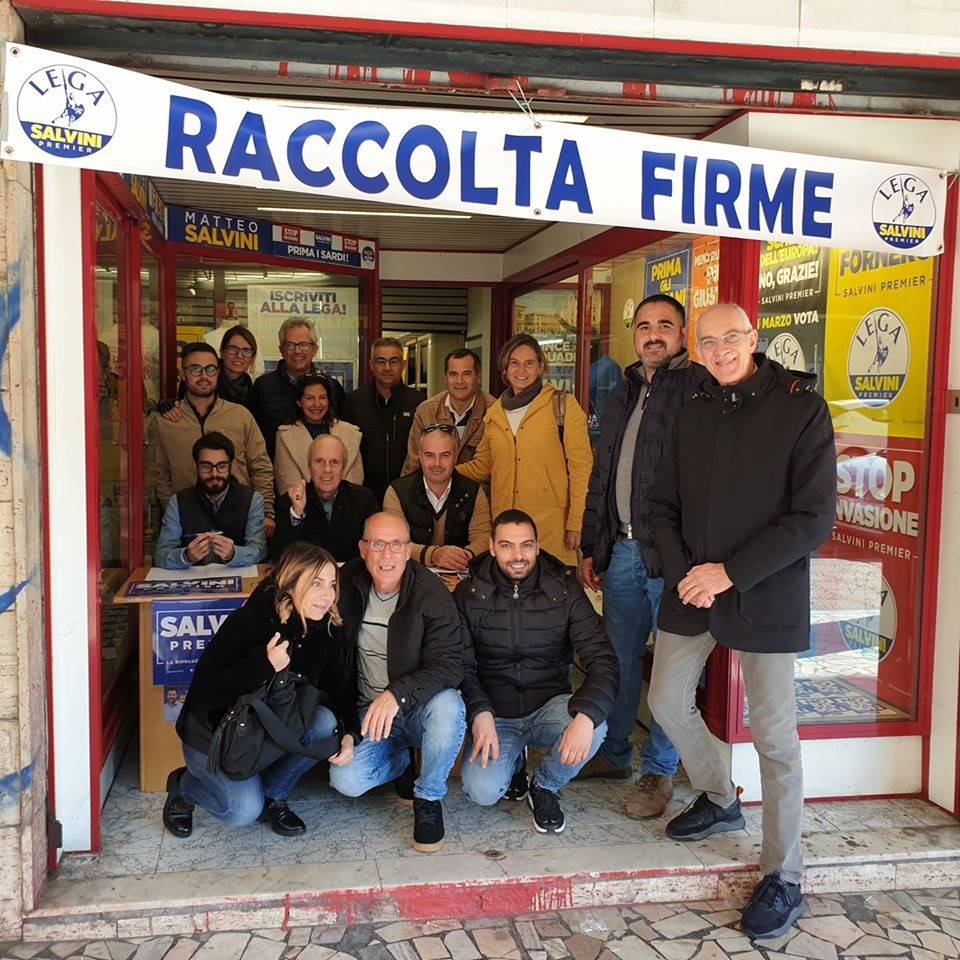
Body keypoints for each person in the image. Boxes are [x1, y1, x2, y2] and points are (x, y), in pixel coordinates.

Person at [648, 303, 836, 940]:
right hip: (692, 586)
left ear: (753, 338)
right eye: (709, 341)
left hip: (765, 588)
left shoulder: (801, 408)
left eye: (732, 337)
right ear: (696, 349)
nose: (721, 349)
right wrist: (687, 574)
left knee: (775, 738)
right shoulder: (693, 409)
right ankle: (721, 797)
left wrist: (728, 573)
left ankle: (784, 876)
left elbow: (812, 519)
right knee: (665, 701)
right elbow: (662, 505)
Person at [577, 294, 705, 820]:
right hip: (623, 550)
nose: (653, 335)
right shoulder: (624, 390)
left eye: (665, 326)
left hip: (672, 559)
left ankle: (659, 769)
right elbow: (602, 475)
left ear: (682, 334)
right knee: (618, 660)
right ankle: (613, 754)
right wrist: (593, 544)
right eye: (644, 326)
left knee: (673, 674)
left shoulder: (699, 389)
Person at [162, 542, 359, 839]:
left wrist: (351, 733)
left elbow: (341, 686)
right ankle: (184, 787)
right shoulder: (251, 621)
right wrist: (263, 665)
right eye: (316, 583)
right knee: (241, 810)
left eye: (332, 585)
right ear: (290, 584)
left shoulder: (328, 628)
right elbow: (204, 694)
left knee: (325, 724)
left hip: (269, 728)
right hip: (217, 735)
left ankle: (273, 795)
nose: (327, 595)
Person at [456, 510, 618, 835]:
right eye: (507, 546)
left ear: (537, 546)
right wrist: (479, 711)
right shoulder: (468, 594)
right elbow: (460, 663)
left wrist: (586, 716)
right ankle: (515, 761)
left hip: (549, 705)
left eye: (526, 545)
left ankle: (544, 785)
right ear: (492, 547)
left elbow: (603, 659)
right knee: (481, 791)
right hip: (496, 713)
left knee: (595, 725)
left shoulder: (565, 590)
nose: (518, 556)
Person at [329, 512, 466, 853]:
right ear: (363, 549)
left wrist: (398, 694)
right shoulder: (345, 582)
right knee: (346, 780)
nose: (387, 554)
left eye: (396, 544)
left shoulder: (431, 594)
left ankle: (428, 797)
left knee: (450, 705)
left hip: (418, 709)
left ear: (408, 550)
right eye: (378, 544)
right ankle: (402, 761)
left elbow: (449, 665)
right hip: (369, 713)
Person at [457, 333, 592, 566]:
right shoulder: (495, 414)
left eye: (529, 363)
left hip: (551, 530)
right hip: (506, 529)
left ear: (540, 367)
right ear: (505, 368)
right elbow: (483, 466)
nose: (521, 370)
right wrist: (442, 471)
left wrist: (576, 522)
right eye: (514, 363)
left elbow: (582, 469)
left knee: (550, 586)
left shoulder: (563, 406)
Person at [151, 343, 276, 536]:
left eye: (210, 369)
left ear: (218, 372)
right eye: (195, 369)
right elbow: (160, 473)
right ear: (183, 374)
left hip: (239, 517)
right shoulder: (166, 421)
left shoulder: (240, 416)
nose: (204, 376)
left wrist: (266, 510)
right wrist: (173, 512)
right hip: (187, 521)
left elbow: (261, 466)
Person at [384, 424, 491, 570]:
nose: (437, 463)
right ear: (420, 456)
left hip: (460, 574)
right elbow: (392, 541)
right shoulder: (397, 492)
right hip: (410, 573)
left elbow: (483, 538)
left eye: (445, 455)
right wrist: (433, 554)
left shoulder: (474, 491)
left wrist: (462, 557)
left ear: (456, 456)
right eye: (429, 455)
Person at [154, 432, 267, 569]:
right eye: (206, 466)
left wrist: (234, 554)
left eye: (222, 466)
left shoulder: (252, 499)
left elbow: (259, 550)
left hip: (239, 576)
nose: (214, 474)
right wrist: (186, 556)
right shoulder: (178, 502)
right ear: (196, 466)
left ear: (230, 466)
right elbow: (161, 555)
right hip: (191, 578)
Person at [270, 434, 379, 562]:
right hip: (307, 573)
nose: (327, 469)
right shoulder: (290, 501)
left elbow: (376, 550)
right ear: (309, 466)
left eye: (334, 462)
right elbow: (278, 557)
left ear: (343, 468)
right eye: (319, 461)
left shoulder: (365, 500)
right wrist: (297, 514)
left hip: (351, 573)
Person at [341, 338, 425, 502]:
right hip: (363, 496)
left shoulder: (419, 402)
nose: (387, 368)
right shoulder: (354, 401)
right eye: (381, 361)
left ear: (403, 364)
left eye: (393, 361)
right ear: (371, 365)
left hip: (409, 494)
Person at [253, 319, 346, 458]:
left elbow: (341, 433)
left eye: (303, 345)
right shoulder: (263, 386)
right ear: (281, 350)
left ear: (315, 349)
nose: (297, 351)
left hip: (324, 468)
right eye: (290, 345)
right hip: (277, 468)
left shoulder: (332, 387)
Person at [402, 348, 494, 475]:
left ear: (478, 376)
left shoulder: (494, 412)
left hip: (477, 487)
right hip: (432, 487)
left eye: (466, 374)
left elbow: (491, 467)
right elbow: (413, 464)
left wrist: (444, 475)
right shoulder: (426, 411)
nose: (459, 381)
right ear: (446, 377)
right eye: (453, 374)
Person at [274, 374, 364, 492]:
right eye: (310, 398)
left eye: (322, 397)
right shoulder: (286, 436)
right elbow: (288, 485)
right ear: (299, 402)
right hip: (302, 502)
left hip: (346, 502)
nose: (317, 404)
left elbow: (355, 482)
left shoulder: (350, 433)